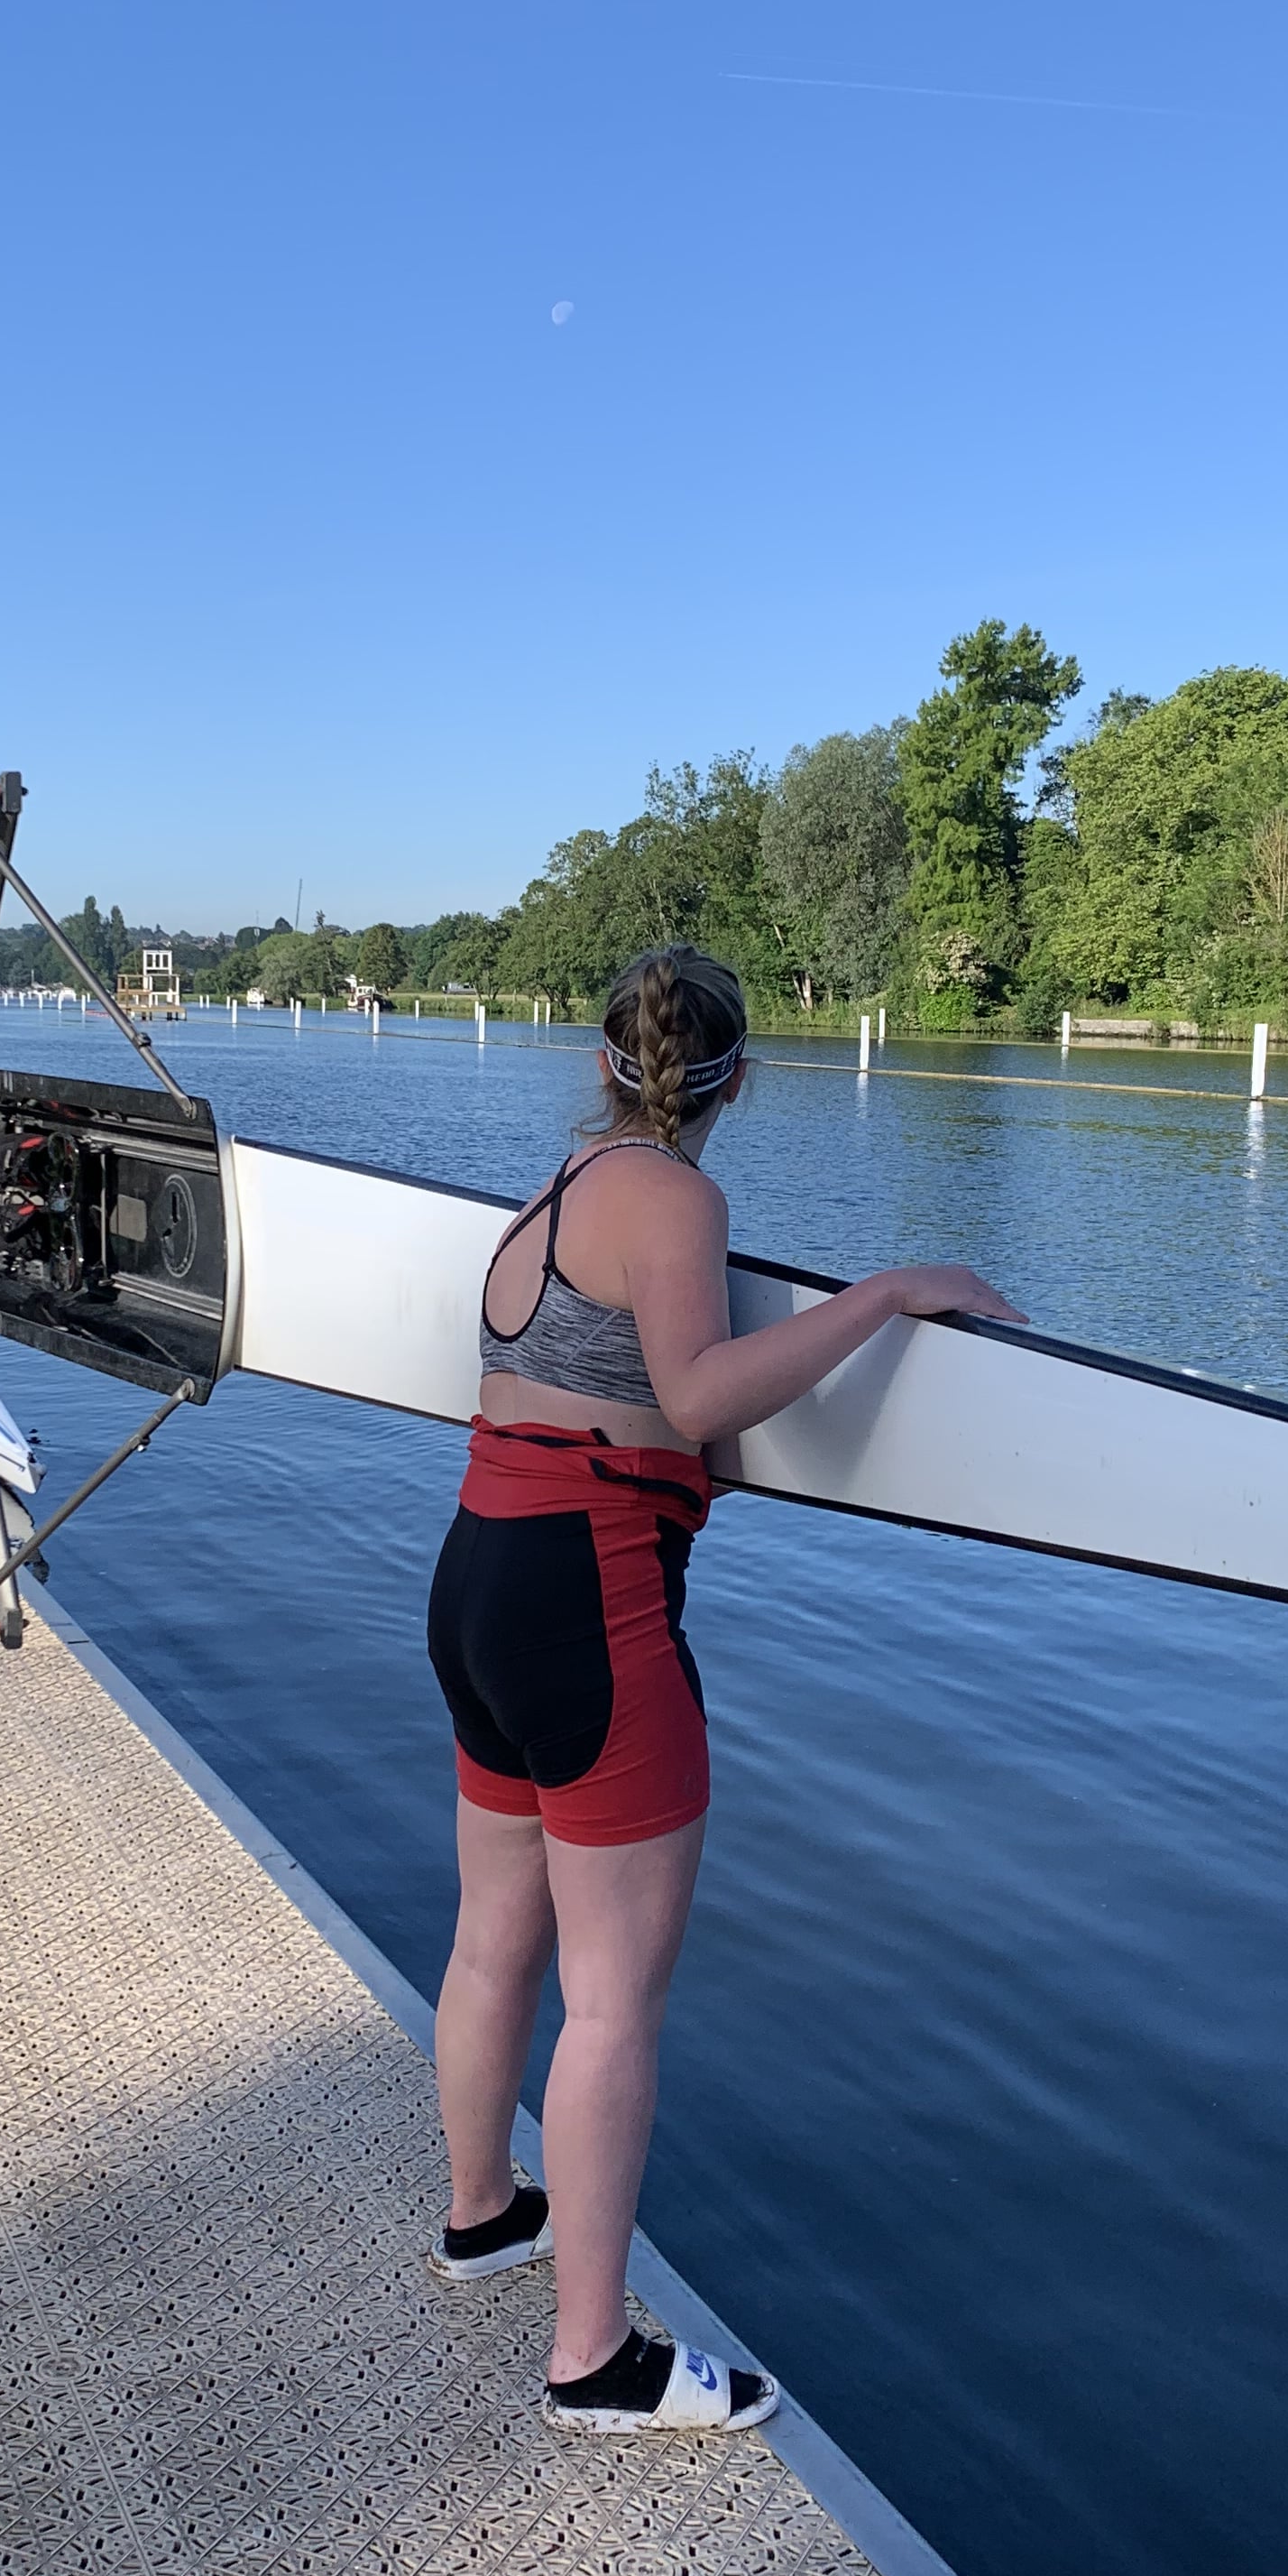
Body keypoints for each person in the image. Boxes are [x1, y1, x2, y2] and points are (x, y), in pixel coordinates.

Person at [425, 947, 1024, 2439]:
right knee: (614, 1999)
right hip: (591, 1596)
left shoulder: (548, 1194)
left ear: (602, 1064)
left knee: (493, 1936)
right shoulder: (675, 1198)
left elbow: (612, 1394)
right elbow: (694, 1395)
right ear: (734, 1079)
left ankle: (483, 2212)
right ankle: (592, 2361)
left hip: (476, 1577)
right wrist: (887, 1294)